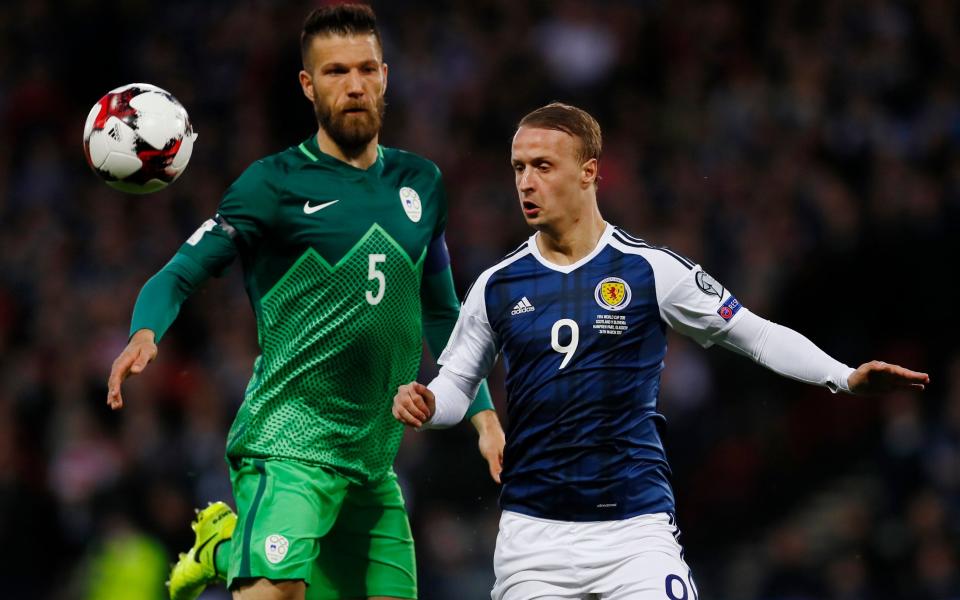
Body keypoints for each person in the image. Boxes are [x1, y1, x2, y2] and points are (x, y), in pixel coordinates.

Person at [391, 102, 930, 600]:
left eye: (543, 166)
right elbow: (458, 384)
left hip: (635, 532)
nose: (526, 183)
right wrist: (429, 404)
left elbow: (755, 334)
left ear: (589, 172)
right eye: (518, 168)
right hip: (534, 541)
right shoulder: (497, 285)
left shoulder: (650, 270)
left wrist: (845, 377)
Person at [105, 5, 505, 600]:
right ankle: (228, 546)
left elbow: (445, 314)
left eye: (367, 69)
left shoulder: (422, 183)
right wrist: (145, 331)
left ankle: (229, 543)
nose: (354, 85)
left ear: (386, 76)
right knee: (278, 593)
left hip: (371, 462)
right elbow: (181, 272)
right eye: (336, 71)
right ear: (307, 84)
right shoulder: (273, 185)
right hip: (289, 443)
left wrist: (485, 417)